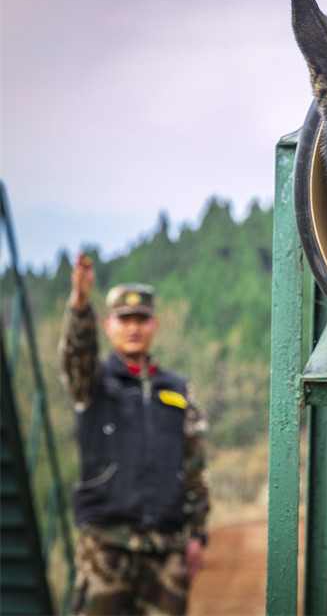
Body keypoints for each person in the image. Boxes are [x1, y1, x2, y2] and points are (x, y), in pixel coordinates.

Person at [59, 253, 210, 615]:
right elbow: (77, 353)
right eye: (124, 319)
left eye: (141, 319)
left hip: (166, 549)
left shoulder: (177, 389)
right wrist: (80, 304)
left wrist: (197, 535)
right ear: (108, 325)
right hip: (105, 546)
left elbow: (195, 465)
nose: (133, 327)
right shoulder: (92, 383)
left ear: (155, 324)